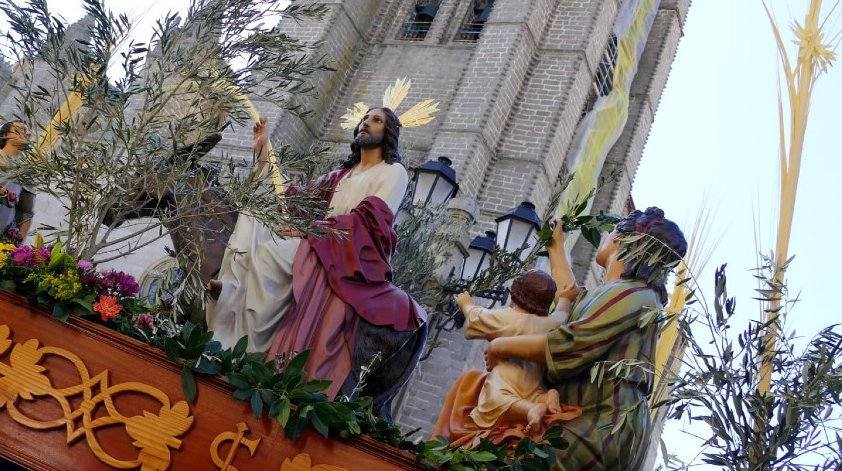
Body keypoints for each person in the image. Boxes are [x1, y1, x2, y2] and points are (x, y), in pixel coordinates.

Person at [435, 207, 687, 471]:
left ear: (624, 240)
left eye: (611, 231)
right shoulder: (617, 293)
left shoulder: (635, 295)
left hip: (602, 424)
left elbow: (570, 343)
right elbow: (571, 301)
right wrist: (556, 247)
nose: (606, 237)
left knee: (510, 463)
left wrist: (502, 345)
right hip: (579, 416)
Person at [207, 108, 425, 397]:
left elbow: (370, 221)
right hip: (320, 241)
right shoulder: (341, 175)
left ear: (389, 133)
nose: (365, 124)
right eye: (364, 119)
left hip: (350, 254)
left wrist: (313, 231)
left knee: (271, 255)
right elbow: (292, 201)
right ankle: (233, 296)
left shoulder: (393, 172)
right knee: (258, 216)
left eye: (376, 121)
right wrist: (264, 153)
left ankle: (249, 348)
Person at [453, 269, 580, 437]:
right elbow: (561, 317)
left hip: (507, 378)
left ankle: (531, 410)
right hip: (535, 381)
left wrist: (466, 303)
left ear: (515, 291)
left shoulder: (505, 318)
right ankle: (547, 397)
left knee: (495, 399)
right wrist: (565, 298)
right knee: (535, 395)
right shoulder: (548, 324)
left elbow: (477, 317)